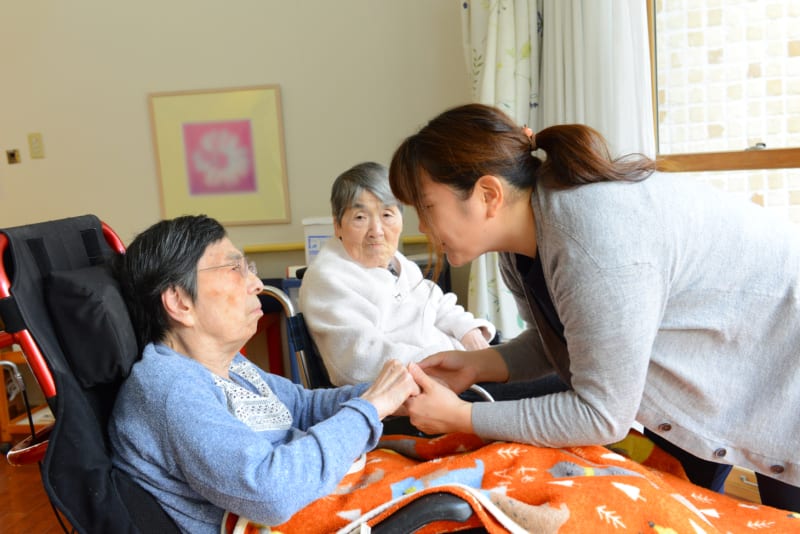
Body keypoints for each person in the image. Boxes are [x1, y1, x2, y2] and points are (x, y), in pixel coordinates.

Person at [389, 103, 800, 512]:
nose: (422, 228)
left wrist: (462, 417)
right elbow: (562, 340)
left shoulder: (592, 243)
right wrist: (479, 364)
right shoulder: (522, 247)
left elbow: (602, 415)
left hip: (783, 355)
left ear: (488, 195)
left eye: (426, 208)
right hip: (716, 376)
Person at [108, 215, 419, 533]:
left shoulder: (227, 366)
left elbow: (301, 408)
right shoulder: (172, 389)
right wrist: (370, 409)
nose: (256, 283)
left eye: (249, 268)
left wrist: (394, 393)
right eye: (235, 269)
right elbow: (270, 491)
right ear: (180, 301)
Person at [298, 161, 495, 386]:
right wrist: (449, 358)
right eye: (360, 218)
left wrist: (468, 332)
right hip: (414, 395)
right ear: (337, 225)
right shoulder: (329, 279)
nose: (377, 231)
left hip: (454, 371)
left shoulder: (398, 264)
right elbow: (359, 362)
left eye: (387, 215)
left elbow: (437, 304)